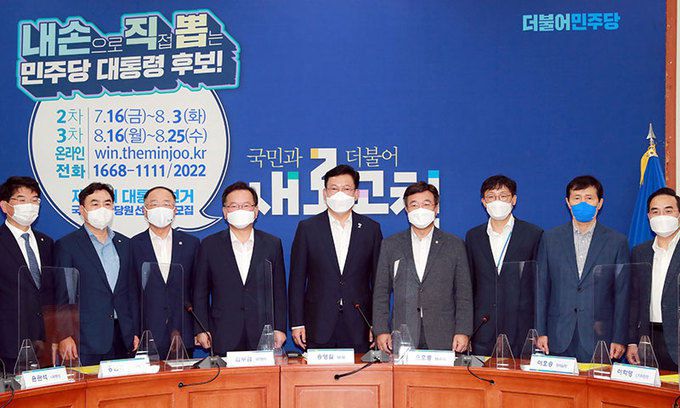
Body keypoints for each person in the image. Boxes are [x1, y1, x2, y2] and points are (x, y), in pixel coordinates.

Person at [289, 165, 382, 352]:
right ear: (325, 193)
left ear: (356, 194)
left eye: (346, 188)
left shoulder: (371, 229)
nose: (340, 194)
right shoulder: (308, 228)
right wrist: (297, 323)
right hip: (318, 322)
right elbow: (297, 280)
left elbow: (379, 282)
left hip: (359, 324)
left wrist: (377, 324)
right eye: (334, 188)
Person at [536, 175, 629, 362]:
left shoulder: (616, 241)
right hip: (557, 335)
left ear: (599, 203)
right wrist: (540, 331)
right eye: (577, 198)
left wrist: (619, 337)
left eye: (589, 198)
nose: (582, 203)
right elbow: (541, 288)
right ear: (568, 203)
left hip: (600, 337)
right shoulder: (550, 238)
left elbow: (622, 294)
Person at [374, 181, 473, 353]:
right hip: (403, 333)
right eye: (414, 205)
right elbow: (381, 292)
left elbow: (463, 294)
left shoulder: (454, 245)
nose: (420, 210)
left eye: (426, 204)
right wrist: (381, 330)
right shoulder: (391, 245)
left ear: (436, 208)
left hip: (444, 335)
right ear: (406, 209)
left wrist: (463, 331)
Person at [193, 182, 287, 354]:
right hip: (223, 331)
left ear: (256, 211)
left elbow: (279, 291)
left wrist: (280, 328)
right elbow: (200, 292)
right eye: (234, 206)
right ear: (225, 212)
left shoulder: (272, 244)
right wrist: (201, 328)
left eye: (246, 206)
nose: (240, 210)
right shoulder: (209, 245)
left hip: (263, 332)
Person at [55, 182, 139, 366]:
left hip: (123, 335)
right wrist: (64, 335)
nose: (102, 209)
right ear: (82, 210)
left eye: (107, 204)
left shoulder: (125, 244)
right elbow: (63, 295)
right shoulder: (67, 245)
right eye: (95, 203)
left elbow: (131, 291)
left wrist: (135, 330)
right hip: (85, 337)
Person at [466, 175, 542, 356]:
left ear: (514, 199)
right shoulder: (473, 236)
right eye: (491, 196)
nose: (497, 201)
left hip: (521, 328)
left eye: (503, 196)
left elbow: (540, 286)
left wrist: (539, 329)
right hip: (483, 327)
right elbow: (469, 285)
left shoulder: (533, 234)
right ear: (484, 202)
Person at [130, 186, 199, 360]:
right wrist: (133, 332)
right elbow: (131, 293)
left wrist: (198, 330)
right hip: (147, 334)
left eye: (166, 204)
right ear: (144, 211)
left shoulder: (191, 243)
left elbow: (198, 290)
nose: (160, 208)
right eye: (154, 204)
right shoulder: (133, 245)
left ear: (175, 210)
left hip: (182, 332)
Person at [0, 176, 54, 371]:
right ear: (5, 206)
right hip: (8, 343)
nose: (29, 206)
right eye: (21, 200)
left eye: (34, 200)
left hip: (44, 343)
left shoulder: (46, 243)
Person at [627, 187, 680, 371]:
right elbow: (634, 300)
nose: (661, 216)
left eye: (668, 210)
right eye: (655, 211)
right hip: (648, 339)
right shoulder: (640, 252)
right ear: (649, 216)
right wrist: (632, 342)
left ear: (678, 214)